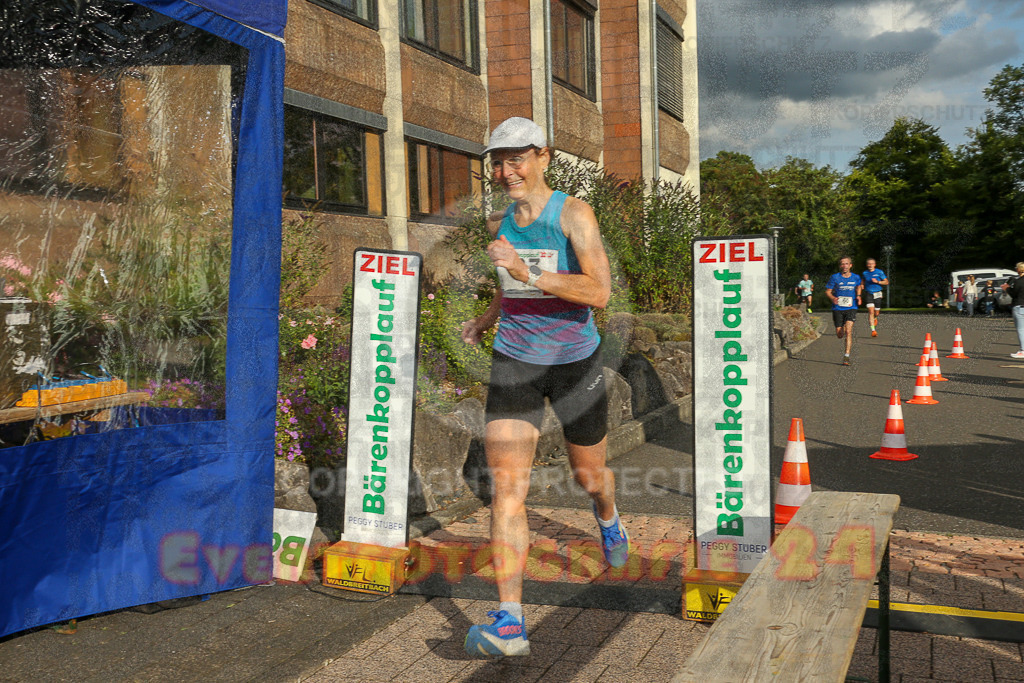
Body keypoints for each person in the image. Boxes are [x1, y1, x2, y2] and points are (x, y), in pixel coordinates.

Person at [459, 117, 628, 657]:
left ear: (544, 156)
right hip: (515, 359)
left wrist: (528, 273)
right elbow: (508, 283)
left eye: (517, 158)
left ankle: (608, 517)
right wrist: (488, 319)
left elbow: (598, 291)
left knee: (589, 475)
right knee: (508, 491)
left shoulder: (573, 214)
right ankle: (510, 619)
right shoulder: (499, 224)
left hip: (575, 361)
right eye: (498, 161)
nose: (507, 171)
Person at [826, 256, 862, 365]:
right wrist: (833, 298)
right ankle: (841, 328)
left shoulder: (856, 277)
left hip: (852, 307)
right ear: (840, 266)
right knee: (840, 334)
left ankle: (846, 356)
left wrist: (859, 295)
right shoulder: (835, 277)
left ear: (850, 265)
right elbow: (828, 291)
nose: (844, 266)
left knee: (848, 330)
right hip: (838, 308)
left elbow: (859, 286)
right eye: (842, 264)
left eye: (846, 264)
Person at [1001, 262, 1024, 359]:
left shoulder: (1018, 281)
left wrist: (1007, 288)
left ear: (1018, 269)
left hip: (1019, 305)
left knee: (1021, 329)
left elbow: (1014, 294)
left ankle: (1023, 350)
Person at [861, 258, 888, 336]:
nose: (870, 265)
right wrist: (862, 285)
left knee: (876, 312)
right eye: (869, 264)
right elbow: (863, 280)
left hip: (878, 293)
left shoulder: (879, 272)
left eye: (872, 263)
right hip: (869, 293)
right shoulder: (865, 273)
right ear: (867, 265)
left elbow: (886, 282)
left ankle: (875, 317)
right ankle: (873, 330)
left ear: (874, 264)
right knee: (871, 312)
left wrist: (878, 281)